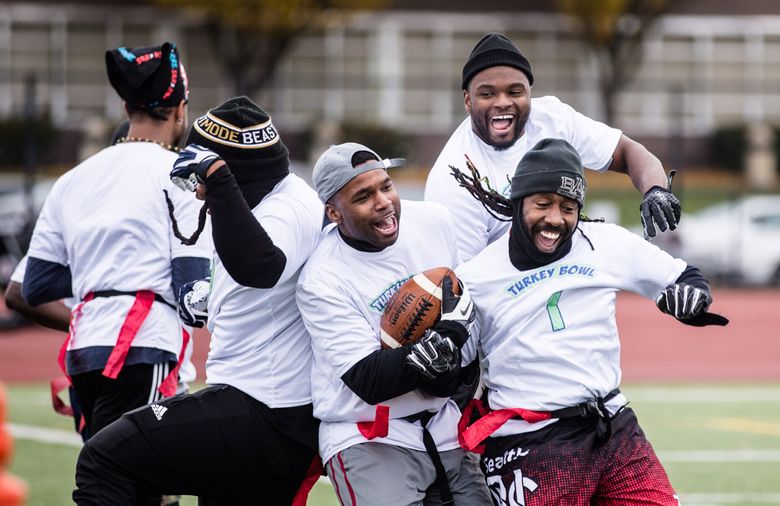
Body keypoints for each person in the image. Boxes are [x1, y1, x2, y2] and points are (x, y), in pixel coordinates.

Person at [72, 96, 324, 505]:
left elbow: (260, 266)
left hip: (263, 412)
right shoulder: (278, 198)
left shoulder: (284, 207)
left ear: (230, 171)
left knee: (103, 458)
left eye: (197, 178)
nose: (197, 193)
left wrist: (219, 182)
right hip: (277, 416)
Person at [452, 138, 728, 505]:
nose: (555, 219)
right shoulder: (475, 276)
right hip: (533, 441)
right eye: (543, 204)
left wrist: (691, 299)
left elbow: (684, 277)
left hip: (612, 426)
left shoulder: (605, 242)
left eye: (568, 207)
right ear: (519, 202)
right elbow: (457, 371)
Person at [22, 42, 210, 445]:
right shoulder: (180, 175)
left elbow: (28, 290)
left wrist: (99, 303)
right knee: (122, 480)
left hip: (85, 349)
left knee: (119, 476)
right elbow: (195, 295)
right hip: (146, 346)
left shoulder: (72, 179)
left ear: (126, 109)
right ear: (181, 110)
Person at [296, 142, 491, 505]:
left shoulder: (433, 220)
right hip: (369, 434)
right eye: (363, 196)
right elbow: (369, 379)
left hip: (441, 420)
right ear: (334, 213)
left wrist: (450, 364)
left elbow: (466, 307)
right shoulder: (321, 278)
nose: (383, 201)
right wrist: (446, 338)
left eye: (386, 186)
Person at [425, 32, 681, 262]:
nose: (503, 102)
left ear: (529, 94)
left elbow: (629, 152)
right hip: (507, 288)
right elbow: (469, 281)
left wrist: (656, 190)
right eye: (487, 93)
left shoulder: (553, 118)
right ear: (468, 101)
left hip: (566, 261)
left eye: (515, 92)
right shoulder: (455, 177)